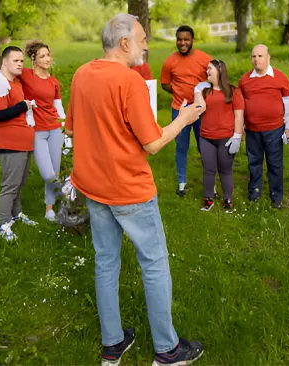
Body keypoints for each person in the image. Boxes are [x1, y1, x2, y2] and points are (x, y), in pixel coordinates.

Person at [65, 14, 205, 365]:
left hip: (93, 186)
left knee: (106, 261)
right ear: (124, 43)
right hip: (129, 190)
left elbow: (72, 130)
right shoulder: (129, 81)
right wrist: (184, 119)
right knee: (155, 264)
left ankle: (112, 343)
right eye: (143, 38)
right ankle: (167, 350)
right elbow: (154, 143)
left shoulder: (81, 74)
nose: (146, 45)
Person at [0, 46, 37, 242]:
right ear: (4, 62)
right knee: (10, 185)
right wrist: (23, 106)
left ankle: (16, 214)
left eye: (21, 61)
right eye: (15, 61)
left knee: (19, 183)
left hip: (23, 142)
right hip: (10, 143)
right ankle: (3, 223)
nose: (20, 64)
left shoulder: (15, 83)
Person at [238, 44, 289, 208]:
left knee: (274, 163)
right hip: (252, 130)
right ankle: (254, 192)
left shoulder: (280, 77)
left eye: (260, 56)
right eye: (254, 56)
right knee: (254, 162)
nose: (256, 59)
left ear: (268, 57)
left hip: (274, 129)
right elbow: (239, 106)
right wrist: (239, 127)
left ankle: (276, 196)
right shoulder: (244, 81)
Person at [160, 25, 213, 197]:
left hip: (200, 110)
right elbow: (164, 84)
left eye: (186, 39)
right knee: (181, 147)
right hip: (179, 110)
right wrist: (177, 92)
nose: (182, 43)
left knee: (204, 147)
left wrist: (203, 95)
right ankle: (182, 183)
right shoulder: (170, 61)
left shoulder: (205, 59)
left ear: (192, 40)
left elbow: (214, 80)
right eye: (179, 39)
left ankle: (209, 184)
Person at [18, 41, 67, 222]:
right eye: (42, 56)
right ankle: (69, 191)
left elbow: (58, 107)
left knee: (54, 171)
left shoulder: (53, 81)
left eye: (48, 55)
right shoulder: (25, 75)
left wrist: (65, 126)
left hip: (55, 129)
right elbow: (8, 72)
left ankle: (49, 210)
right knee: (48, 174)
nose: (47, 59)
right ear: (33, 59)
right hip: (37, 131)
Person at [193, 60, 245, 212]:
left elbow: (239, 116)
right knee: (208, 169)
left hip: (226, 138)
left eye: (209, 68)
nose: (206, 71)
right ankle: (208, 200)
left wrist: (237, 136)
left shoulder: (233, 91)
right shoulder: (204, 90)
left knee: (225, 170)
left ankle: (228, 200)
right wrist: (197, 91)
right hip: (206, 137)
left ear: (219, 70)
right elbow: (199, 109)